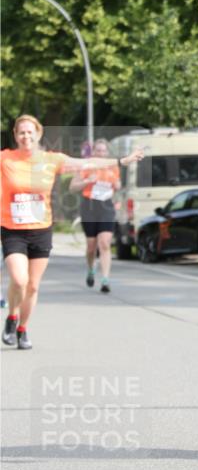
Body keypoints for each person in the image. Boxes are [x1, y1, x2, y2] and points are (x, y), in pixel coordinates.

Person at [1, 115, 143, 349]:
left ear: (38, 134)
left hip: (40, 230)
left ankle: (23, 329)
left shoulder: (52, 159)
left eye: (30, 132)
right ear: (15, 135)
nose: (26, 136)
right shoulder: (5, 159)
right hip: (12, 229)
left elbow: (87, 164)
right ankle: (12, 316)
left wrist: (122, 161)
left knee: (33, 285)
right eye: (21, 133)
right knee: (19, 279)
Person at [69, 138, 120, 293]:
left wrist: (117, 186)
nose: (101, 153)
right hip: (89, 207)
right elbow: (72, 188)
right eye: (98, 150)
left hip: (106, 206)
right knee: (91, 246)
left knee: (104, 243)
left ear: (107, 153)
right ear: (93, 152)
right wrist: (87, 181)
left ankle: (105, 280)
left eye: (104, 150)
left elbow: (117, 185)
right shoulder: (85, 167)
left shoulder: (112, 167)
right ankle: (91, 269)